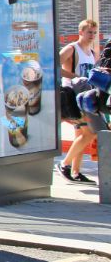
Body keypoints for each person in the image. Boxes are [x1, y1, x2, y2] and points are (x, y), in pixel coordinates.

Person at [58, 19, 99, 183]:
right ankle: (64, 164)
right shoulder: (72, 49)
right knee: (90, 133)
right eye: (89, 32)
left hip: (85, 97)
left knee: (81, 135)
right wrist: (74, 76)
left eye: (94, 33)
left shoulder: (92, 53)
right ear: (81, 32)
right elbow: (54, 65)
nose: (92, 35)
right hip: (71, 97)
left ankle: (75, 172)